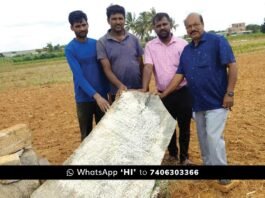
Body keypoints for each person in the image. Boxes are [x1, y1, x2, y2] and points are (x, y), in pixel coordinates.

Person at [159, 13, 238, 184]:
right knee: (203, 137)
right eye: (189, 26)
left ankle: (223, 173)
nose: (192, 29)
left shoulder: (218, 41)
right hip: (197, 103)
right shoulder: (187, 51)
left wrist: (230, 93)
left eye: (196, 25)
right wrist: (164, 94)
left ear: (203, 24)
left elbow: (232, 65)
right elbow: (179, 75)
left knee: (213, 137)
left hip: (217, 101)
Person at [142, 13, 193, 165]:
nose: (162, 27)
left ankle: (184, 158)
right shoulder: (150, 46)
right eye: (158, 25)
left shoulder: (182, 44)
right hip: (163, 94)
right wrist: (144, 88)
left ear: (170, 24)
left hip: (183, 92)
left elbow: (187, 69)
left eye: (164, 24)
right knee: (167, 127)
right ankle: (172, 154)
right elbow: (148, 67)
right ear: (154, 28)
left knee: (184, 126)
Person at [65, 10, 110, 141]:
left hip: (103, 97)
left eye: (84, 25)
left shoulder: (96, 44)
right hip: (84, 99)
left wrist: (106, 94)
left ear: (88, 24)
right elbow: (78, 77)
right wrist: (96, 96)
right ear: (72, 28)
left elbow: (104, 69)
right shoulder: (70, 49)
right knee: (87, 136)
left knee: (106, 132)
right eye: (78, 26)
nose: (82, 28)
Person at [97, 4, 144, 102]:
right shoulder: (102, 42)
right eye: (114, 19)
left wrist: (144, 86)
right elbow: (107, 69)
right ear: (108, 20)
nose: (118, 22)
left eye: (120, 18)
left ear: (124, 20)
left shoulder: (134, 39)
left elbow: (141, 65)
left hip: (137, 90)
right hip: (118, 92)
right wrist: (121, 86)